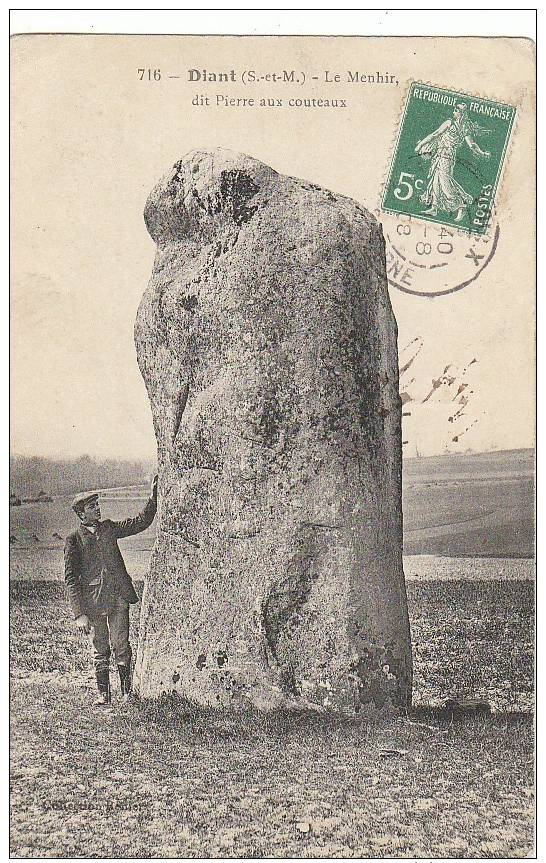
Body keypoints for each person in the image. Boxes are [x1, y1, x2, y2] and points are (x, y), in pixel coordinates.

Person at [64, 475, 158, 706]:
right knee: (101, 648)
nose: (97, 509)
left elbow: (139, 522)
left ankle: (126, 694)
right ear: (81, 513)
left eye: (97, 505)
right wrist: (79, 614)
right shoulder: (74, 540)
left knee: (121, 645)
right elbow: (71, 579)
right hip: (93, 602)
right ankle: (103, 695)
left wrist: (154, 497)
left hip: (118, 596)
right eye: (92, 507)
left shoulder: (108, 528)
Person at [415, 103, 490, 222]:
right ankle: (434, 207)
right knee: (436, 182)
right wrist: (421, 145)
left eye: (456, 110)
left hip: (447, 156)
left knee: (445, 183)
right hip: (439, 155)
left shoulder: (459, 126)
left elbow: (472, 145)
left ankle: (461, 206)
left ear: (461, 113)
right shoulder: (453, 124)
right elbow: (435, 135)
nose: (453, 112)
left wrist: (482, 153)